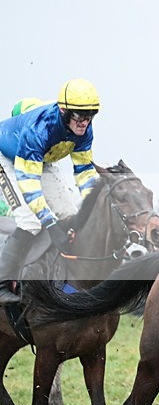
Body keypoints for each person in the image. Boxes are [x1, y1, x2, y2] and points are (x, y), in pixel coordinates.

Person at [0, 78, 101, 304]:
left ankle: (61, 279)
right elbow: (29, 184)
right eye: (78, 115)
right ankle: (2, 282)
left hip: (39, 159)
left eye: (90, 115)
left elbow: (84, 172)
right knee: (31, 221)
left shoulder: (84, 129)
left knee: (69, 214)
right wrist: (50, 223)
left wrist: (94, 205)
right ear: (63, 110)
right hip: (6, 158)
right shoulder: (39, 128)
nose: (84, 122)